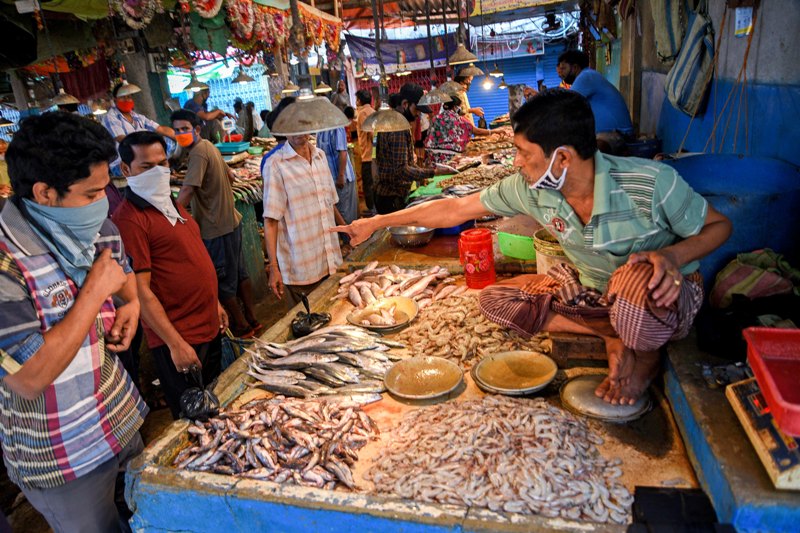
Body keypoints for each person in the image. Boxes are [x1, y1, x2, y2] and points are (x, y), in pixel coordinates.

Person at [333, 89, 731, 405]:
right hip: (599, 296)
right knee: (494, 298)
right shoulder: (533, 190)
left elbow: (719, 226)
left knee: (632, 282)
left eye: (524, 154)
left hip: (661, 299)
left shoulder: (652, 182)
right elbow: (455, 207)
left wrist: (672, 257)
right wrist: (377, 222)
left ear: (562, 158)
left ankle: (644, 356)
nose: (517, 163)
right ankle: (612, 334)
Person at [0, 112, 148, 532]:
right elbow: (28, 378)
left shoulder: (97, 226)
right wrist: (95, 292)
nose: (104, 202)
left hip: (120, 419)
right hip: (63, 459)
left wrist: (131, 306)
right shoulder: (5, 264)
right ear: (45, 193)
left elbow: (125, 277)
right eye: (91, 193)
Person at [113, 131, 229, 418]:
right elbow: (140, 291)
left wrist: (213, 302)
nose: (158, 172)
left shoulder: (169, 202)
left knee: (218, 403)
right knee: (196, 418)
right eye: (147, 167)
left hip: (206, 324)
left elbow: (189, 256)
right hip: (180, 337)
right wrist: (175, 344)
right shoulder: (129, 219)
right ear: (126, 170)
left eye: (162, 164)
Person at [170, 110, 261, 338]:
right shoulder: (210, 146)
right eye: (177, 130)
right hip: (230, 221)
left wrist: (172, 219)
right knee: (239, 274)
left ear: (197, 129)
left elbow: (188, 189)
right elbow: (230, 176)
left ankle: (241, 326)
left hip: (215, 227)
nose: (181, 134)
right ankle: (252, 318)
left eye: (185, 129)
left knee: (222, 281)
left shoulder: (199, 153)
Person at [262, 129, 346, 308]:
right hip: (301, 268)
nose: (298, 130)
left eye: (302, 124)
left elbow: (329, 202)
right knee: (309, 325)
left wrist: (347, 230)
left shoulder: (320, 156)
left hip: (329, 259)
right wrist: (274, 268)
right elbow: (270, 220)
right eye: (292, 126)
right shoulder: (275, 164)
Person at [374, 84, 447, 215]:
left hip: (390, 195)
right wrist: (432, 172)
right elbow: (402, 170)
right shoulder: (397, 127)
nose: (418, 114)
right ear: (405, 104)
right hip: (391, 198)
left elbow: (406, 164)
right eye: (417, 110)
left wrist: (422, 173)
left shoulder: (394, 120)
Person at [557, 50, 634, 154]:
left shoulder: (586, 76)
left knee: (581, 155)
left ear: (574, 67)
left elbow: (566, 104)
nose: (561, 74)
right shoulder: (589, 75)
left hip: (618, 135)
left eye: (564, 68)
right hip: (612, 135)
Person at [102, 82, 175, 175]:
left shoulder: (138, 117)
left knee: (168, 143)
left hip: (144, 159)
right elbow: (123, 140)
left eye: (129, 97)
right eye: (122, 97)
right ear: (115, 99)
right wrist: (149, 152)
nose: (126, 100)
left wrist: (179, 137)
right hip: (122, 165)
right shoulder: (110, 117)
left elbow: (161, 129)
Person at [424, 95, 493, 165]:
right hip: (450, 155)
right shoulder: (459, 119)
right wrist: (493, 131)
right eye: (460, 106)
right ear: (455, 107)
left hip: (433, 155)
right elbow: (476, 131)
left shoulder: (436, 118)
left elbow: (430, 136)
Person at [316, 125, 358, 225]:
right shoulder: (320, 129)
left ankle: (351, 239)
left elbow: (343, 152)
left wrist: (341, 176)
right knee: (337, 213)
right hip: (329, 179)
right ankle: (346, 238)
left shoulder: (337, 127)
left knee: (345, 214)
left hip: (341, 178)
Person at [355, 90, 376, 216]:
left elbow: (371, 133)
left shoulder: (362, 113)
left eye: (357, 99)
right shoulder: (373, 111)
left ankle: (372, 208)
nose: (356, 102)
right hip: (373, 155)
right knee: (373, 182)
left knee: (368, 183)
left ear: (360, 100)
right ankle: (374, 208)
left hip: (367, 155)